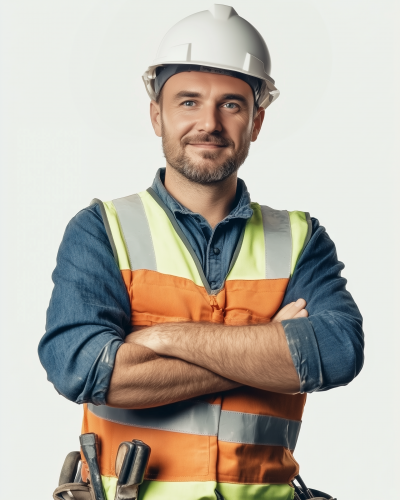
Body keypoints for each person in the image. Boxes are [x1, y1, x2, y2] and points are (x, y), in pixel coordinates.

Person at [39, 5, 364, 500]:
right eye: (188, 102)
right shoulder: (102, 231)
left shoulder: (301, 239)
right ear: (157, 115)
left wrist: (162, 339)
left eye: (231, 105)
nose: (208, 123)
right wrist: (270, 343)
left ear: (256, 121)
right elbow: (82, 369)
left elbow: (337, 354)